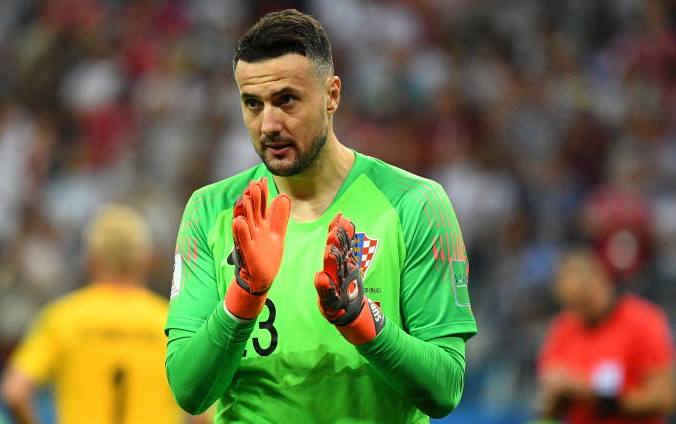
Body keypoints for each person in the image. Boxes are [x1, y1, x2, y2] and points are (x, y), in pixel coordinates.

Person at [164, 8, 477, 424]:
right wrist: (243, 297)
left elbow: (445, 389)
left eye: (286, 100)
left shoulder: (416, 204)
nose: (268, 124)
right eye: (252, 103)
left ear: (332, 95)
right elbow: (188, 391)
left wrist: (365, 322)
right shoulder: (211, 211)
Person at [0, 204, 210, 424]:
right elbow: (202, 414)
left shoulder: (62, 318)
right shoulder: (174, 324)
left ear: (91, 261)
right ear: (147, 261)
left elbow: (14, 391)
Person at [536, 245, 676, 424]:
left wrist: (602, 399)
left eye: (585, 299)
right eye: (573, 305)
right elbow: (547, 406)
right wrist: (558, 393)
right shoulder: (563, 327)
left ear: (602, 281)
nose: (581, 311)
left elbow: (666, 397)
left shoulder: (644, 321)